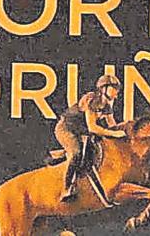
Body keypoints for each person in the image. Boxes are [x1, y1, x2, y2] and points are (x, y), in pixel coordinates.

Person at [53, 71, 127, 202]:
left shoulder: (107, 105)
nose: (116, 92)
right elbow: (93, 127)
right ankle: (66, 189)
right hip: (66, 129)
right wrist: (115, 133)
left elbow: (112, 124)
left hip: (81, 132)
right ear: (103, 89)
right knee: (76, 152)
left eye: (117, 89)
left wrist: (125, 130)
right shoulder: (93, 100)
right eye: (113, 88)